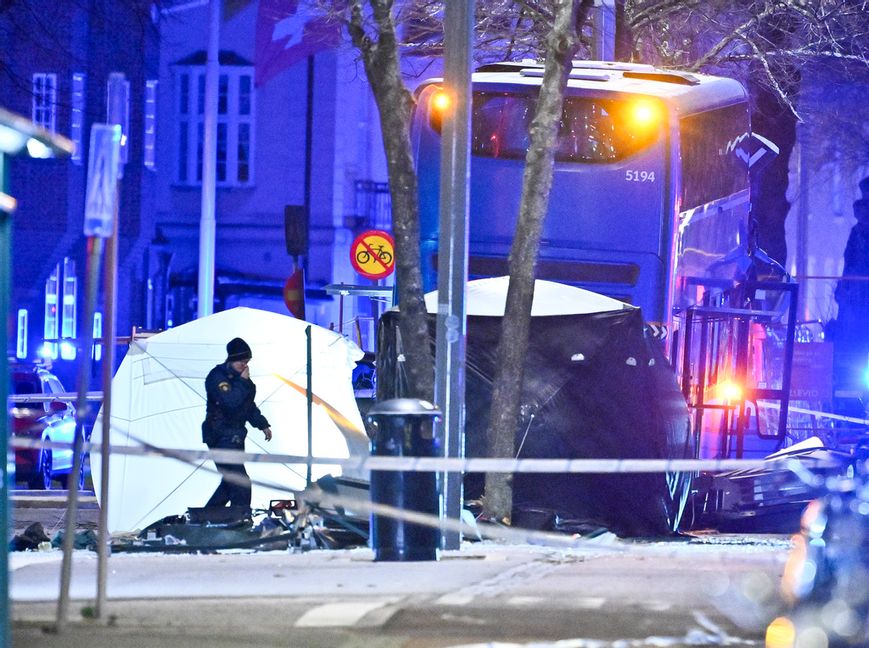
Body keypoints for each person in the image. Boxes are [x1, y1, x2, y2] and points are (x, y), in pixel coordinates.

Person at [201, 337, 273, 512]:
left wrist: (262, 424)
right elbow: (230, 401)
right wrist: (243, 382)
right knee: (240, 483)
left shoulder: (243, 381)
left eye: (247, 362)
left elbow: (248, 406)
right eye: (241, 361)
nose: (244, 365)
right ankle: (239, 518)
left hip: (235, 437)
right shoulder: (218, 377)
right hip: (220, 436)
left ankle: (206, 516)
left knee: (230, 482)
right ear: (232, 359)